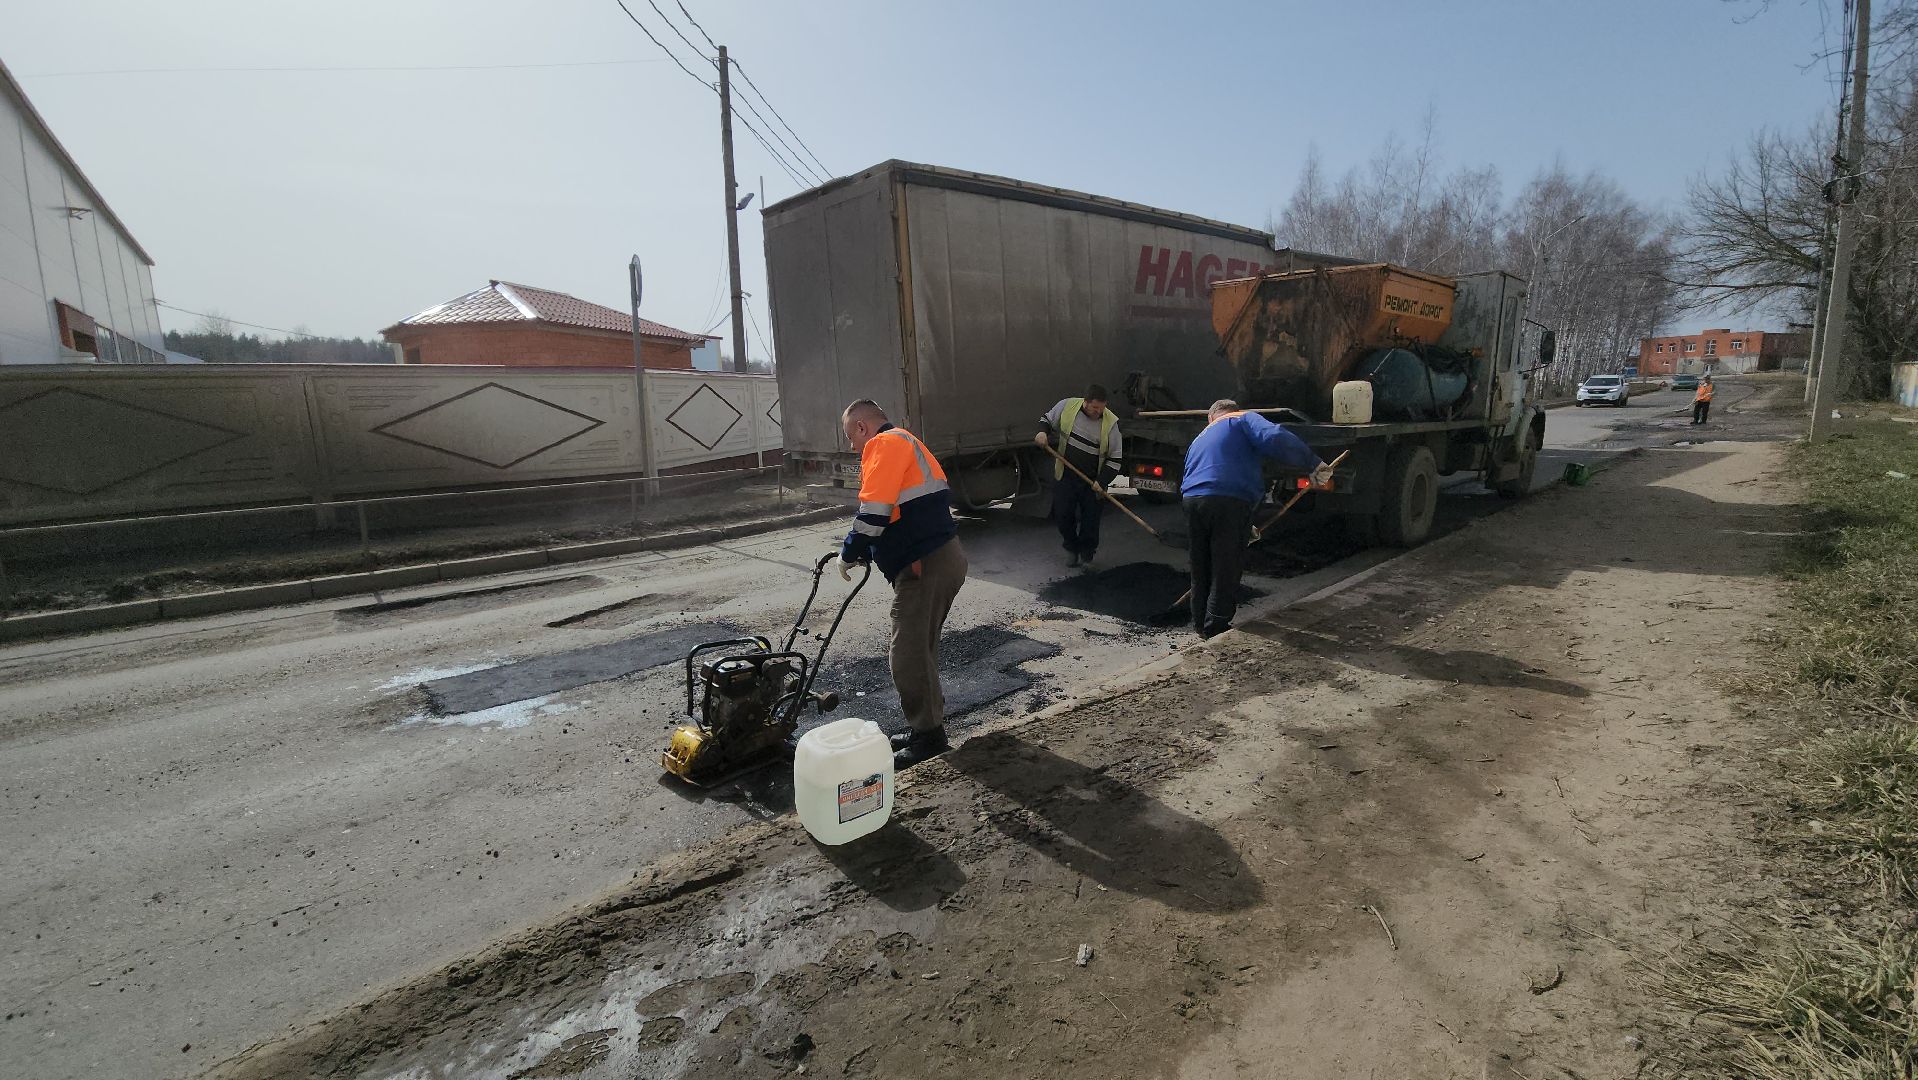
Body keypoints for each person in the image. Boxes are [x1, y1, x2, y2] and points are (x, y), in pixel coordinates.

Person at [837, 399, 970, 769]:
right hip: (937, 558)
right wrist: (872, 550)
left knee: (907, 654)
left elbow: (873, 513)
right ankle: (925, 728)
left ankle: (929, 737)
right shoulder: (905, 441)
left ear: (862, 427)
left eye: (851, 437)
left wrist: (849, 552)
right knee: (919, 650)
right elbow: (901, 511)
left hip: (925, 565)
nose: (852, 446)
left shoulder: (883, 444)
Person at [1181, 400, 1334, 638]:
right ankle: (1216, 626)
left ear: (1211, 417)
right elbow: (1274, 437)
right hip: (1227, 498)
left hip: (1192, 500)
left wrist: (1246, 522)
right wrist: (1313, 462)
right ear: (1233, 410)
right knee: (1225, 565)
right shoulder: (1242, 418)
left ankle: (1200, 624)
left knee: (1201, 564)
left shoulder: (1201, 436)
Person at [1034, 385, 1123, 568]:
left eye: (1102, 408)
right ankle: (1071, 548)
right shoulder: (1067, 406)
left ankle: (1087, 553)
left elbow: (1115, 459)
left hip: (1093, 481)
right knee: (1063, 515)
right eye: (1095, 408)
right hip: (1066, 476)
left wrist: (1102, 481)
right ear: (1085, 402)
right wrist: (1042, 432)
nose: (1099, 412)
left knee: (1090, 521)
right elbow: (1047, 419)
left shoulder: (1111, 423)